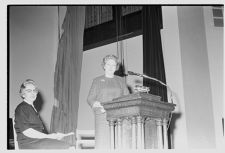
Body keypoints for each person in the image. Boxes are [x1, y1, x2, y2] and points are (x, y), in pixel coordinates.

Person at [14, 79, 74, 149]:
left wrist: (54, 136)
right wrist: (49, 136)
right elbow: (27, 131)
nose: (33, 93)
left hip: (37, 142)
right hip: (29, 144)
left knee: (68, 145)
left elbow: (37, 132)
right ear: (23, 94)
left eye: (34, 91)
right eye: (29, 91)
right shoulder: (22, 108)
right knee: (68, 147)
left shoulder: (31, 108)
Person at [87, 55, 129, 149]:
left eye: (113, 65)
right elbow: (90, 98)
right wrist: (98, 105)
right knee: (104, 144)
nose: (111, 67)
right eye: (108, 64)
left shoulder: (121, 80)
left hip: (119, 116)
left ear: (116, 67)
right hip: (103, 115)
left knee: (120, 143)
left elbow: (127, 97)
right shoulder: (97, 80)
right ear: (104, 66)